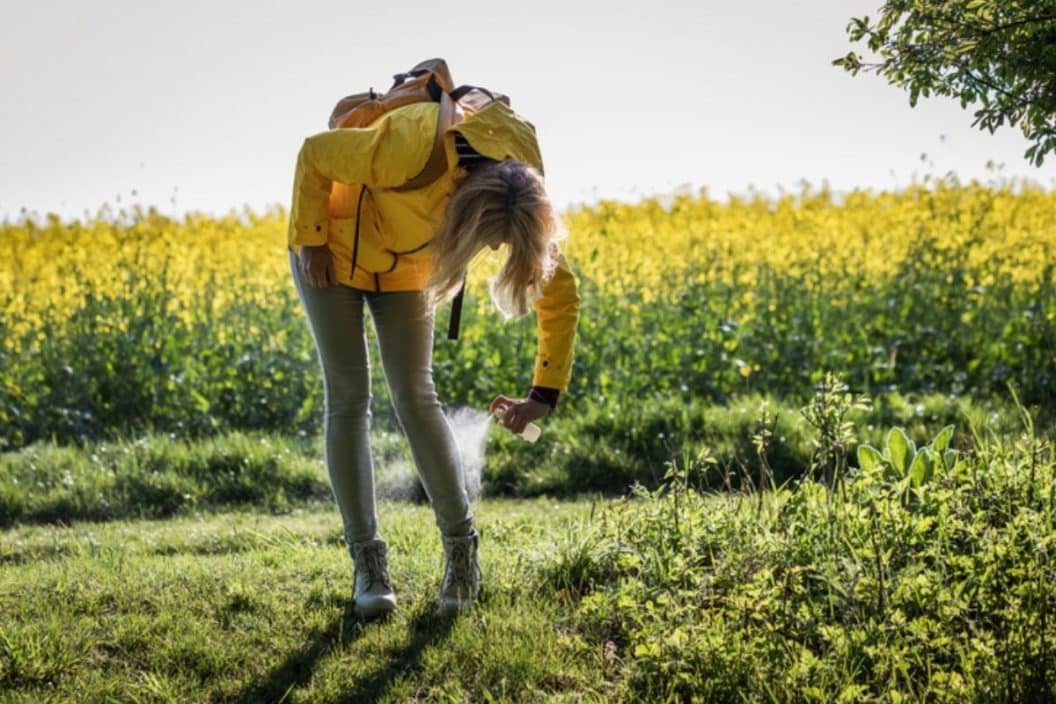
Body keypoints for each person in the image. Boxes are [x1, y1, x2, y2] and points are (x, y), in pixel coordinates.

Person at [286, 73, 580, 619]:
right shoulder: (409, 146)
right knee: (349, 398)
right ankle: (368, 563)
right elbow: (315, 155)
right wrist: (310, 239)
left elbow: (557, 289)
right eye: (487, 240)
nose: (492, 249)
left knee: (416, 397)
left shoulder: (523, 170)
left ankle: (462, 553)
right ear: (464, 215)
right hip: (328, 250)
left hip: (405, 267)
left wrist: (543, 394)